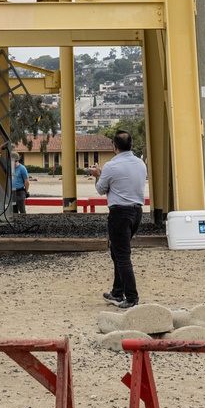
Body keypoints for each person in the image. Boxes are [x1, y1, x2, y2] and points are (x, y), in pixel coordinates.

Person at [88, 129, 147, 308]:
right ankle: (117, 291)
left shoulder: (111, 166)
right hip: (137, 212)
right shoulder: (140, 164)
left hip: (119, 212)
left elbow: (100, 189)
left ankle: (131, 297)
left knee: (121, 255)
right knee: (117, 252)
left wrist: (97, 174)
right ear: (131, 145)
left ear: (114, 147)